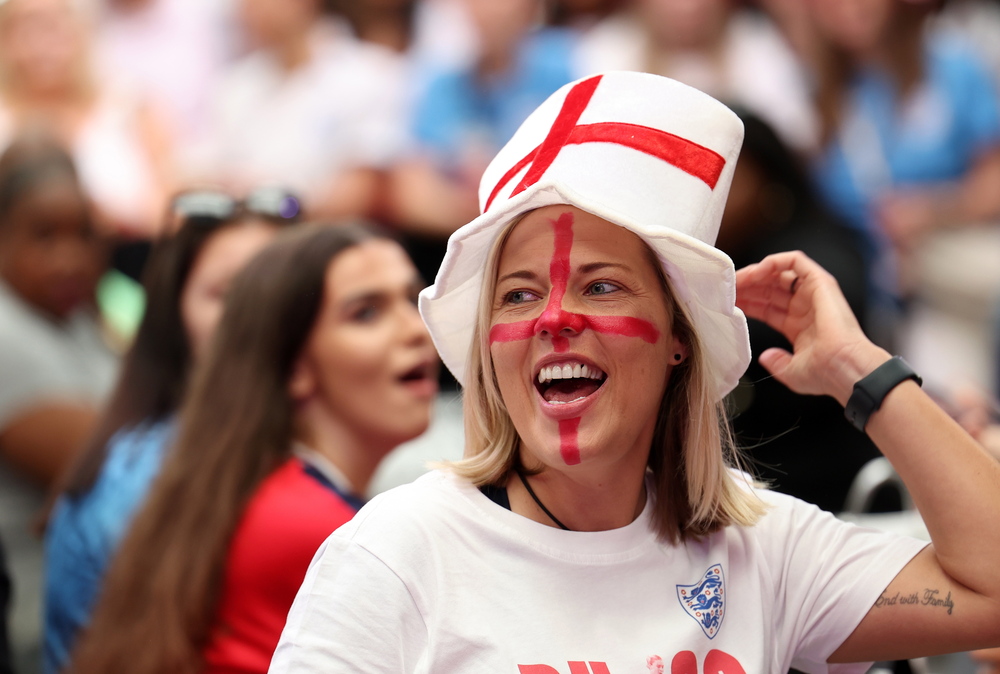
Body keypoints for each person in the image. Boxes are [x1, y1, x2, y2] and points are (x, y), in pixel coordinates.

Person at [269, 72, 1000, 672]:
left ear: (679, 339)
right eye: (519, 294)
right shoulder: (395, 555)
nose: (555, 318)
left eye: (601, 285)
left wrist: (858, 368)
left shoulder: (762, 553)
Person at [68, 223, 439, 674]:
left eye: (413, 299)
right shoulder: (315, 527)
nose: (416, 329)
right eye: (366, 313)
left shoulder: (256, 484)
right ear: (295, 366)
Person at [43, 188, 301, 673]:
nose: (259, 317)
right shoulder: (137, 485)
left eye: (281, 295)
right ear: (174, 318)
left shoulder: (315, 455)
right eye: (227, 295)